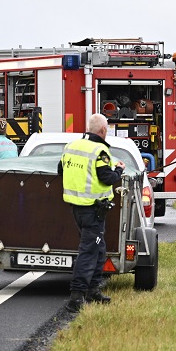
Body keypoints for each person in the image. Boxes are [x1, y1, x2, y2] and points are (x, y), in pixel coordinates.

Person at [59, 113, 125, 311]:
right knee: (88, 251)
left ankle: (93, 290)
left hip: (77, 208)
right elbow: (107, 178)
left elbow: (60, 171)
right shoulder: (100, 151)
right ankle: (76, 297)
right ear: (103, 130)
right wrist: (119, 170)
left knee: (99, 248)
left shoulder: (71, 146)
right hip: (93, 210)